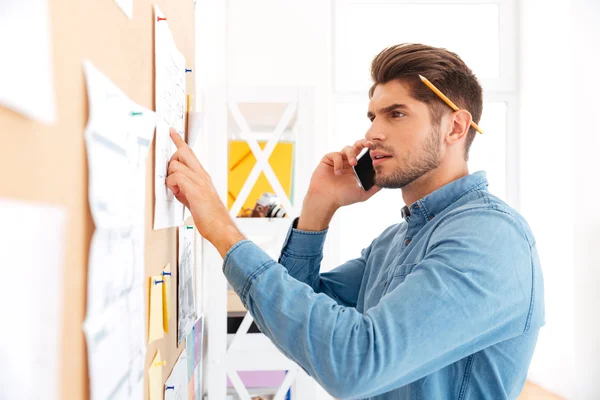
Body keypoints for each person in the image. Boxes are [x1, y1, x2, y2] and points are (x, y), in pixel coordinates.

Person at [166, 43, 545, 400]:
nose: (371, 133)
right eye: (372, 116)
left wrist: (221, 227)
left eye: (396, 113)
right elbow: (290, 317)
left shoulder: (490, 237)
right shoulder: (395, 241)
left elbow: (354, 362)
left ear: (455, 128)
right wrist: (319, 207)